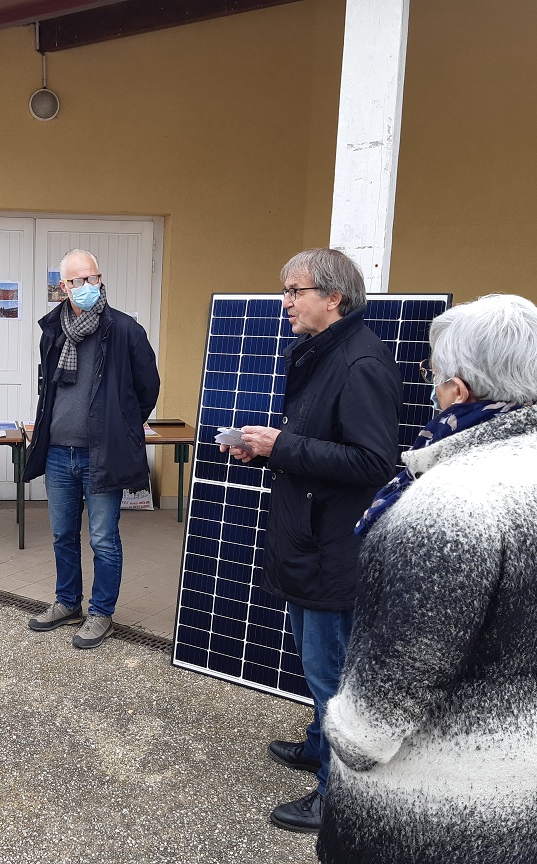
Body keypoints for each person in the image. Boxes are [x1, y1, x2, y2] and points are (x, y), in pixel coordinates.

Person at [318, 295, 537, 864]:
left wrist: (350, 739)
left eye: (434, 376)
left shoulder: (448, 505)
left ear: (457, 391)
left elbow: (402, 671)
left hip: (455, 801)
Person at [221, 249, 401, 831]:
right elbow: (315, 445)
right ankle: (318, 745)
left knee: (331, 677)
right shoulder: (323, 354)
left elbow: (374, 462)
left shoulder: (360, 363)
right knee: (316, 665)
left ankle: (338, 797)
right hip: (309, 537)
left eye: (295, 291)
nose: (285, 302)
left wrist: (283, 447)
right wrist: (262, 450)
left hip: (334, 547)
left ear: (334, 298)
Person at [23, 249, 160, 649]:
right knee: (63, 535)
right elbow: (45, 386)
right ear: (63, 286)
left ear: (100, 279)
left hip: (102, 454)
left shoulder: (125, 330)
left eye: (92, 278)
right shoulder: (52, 330)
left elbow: (146, 389)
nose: (85, 287)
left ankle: (102, 613)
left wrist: (122, 426)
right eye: (76, 281)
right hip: (58, 453)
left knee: (103, 538)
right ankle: (68, 603)